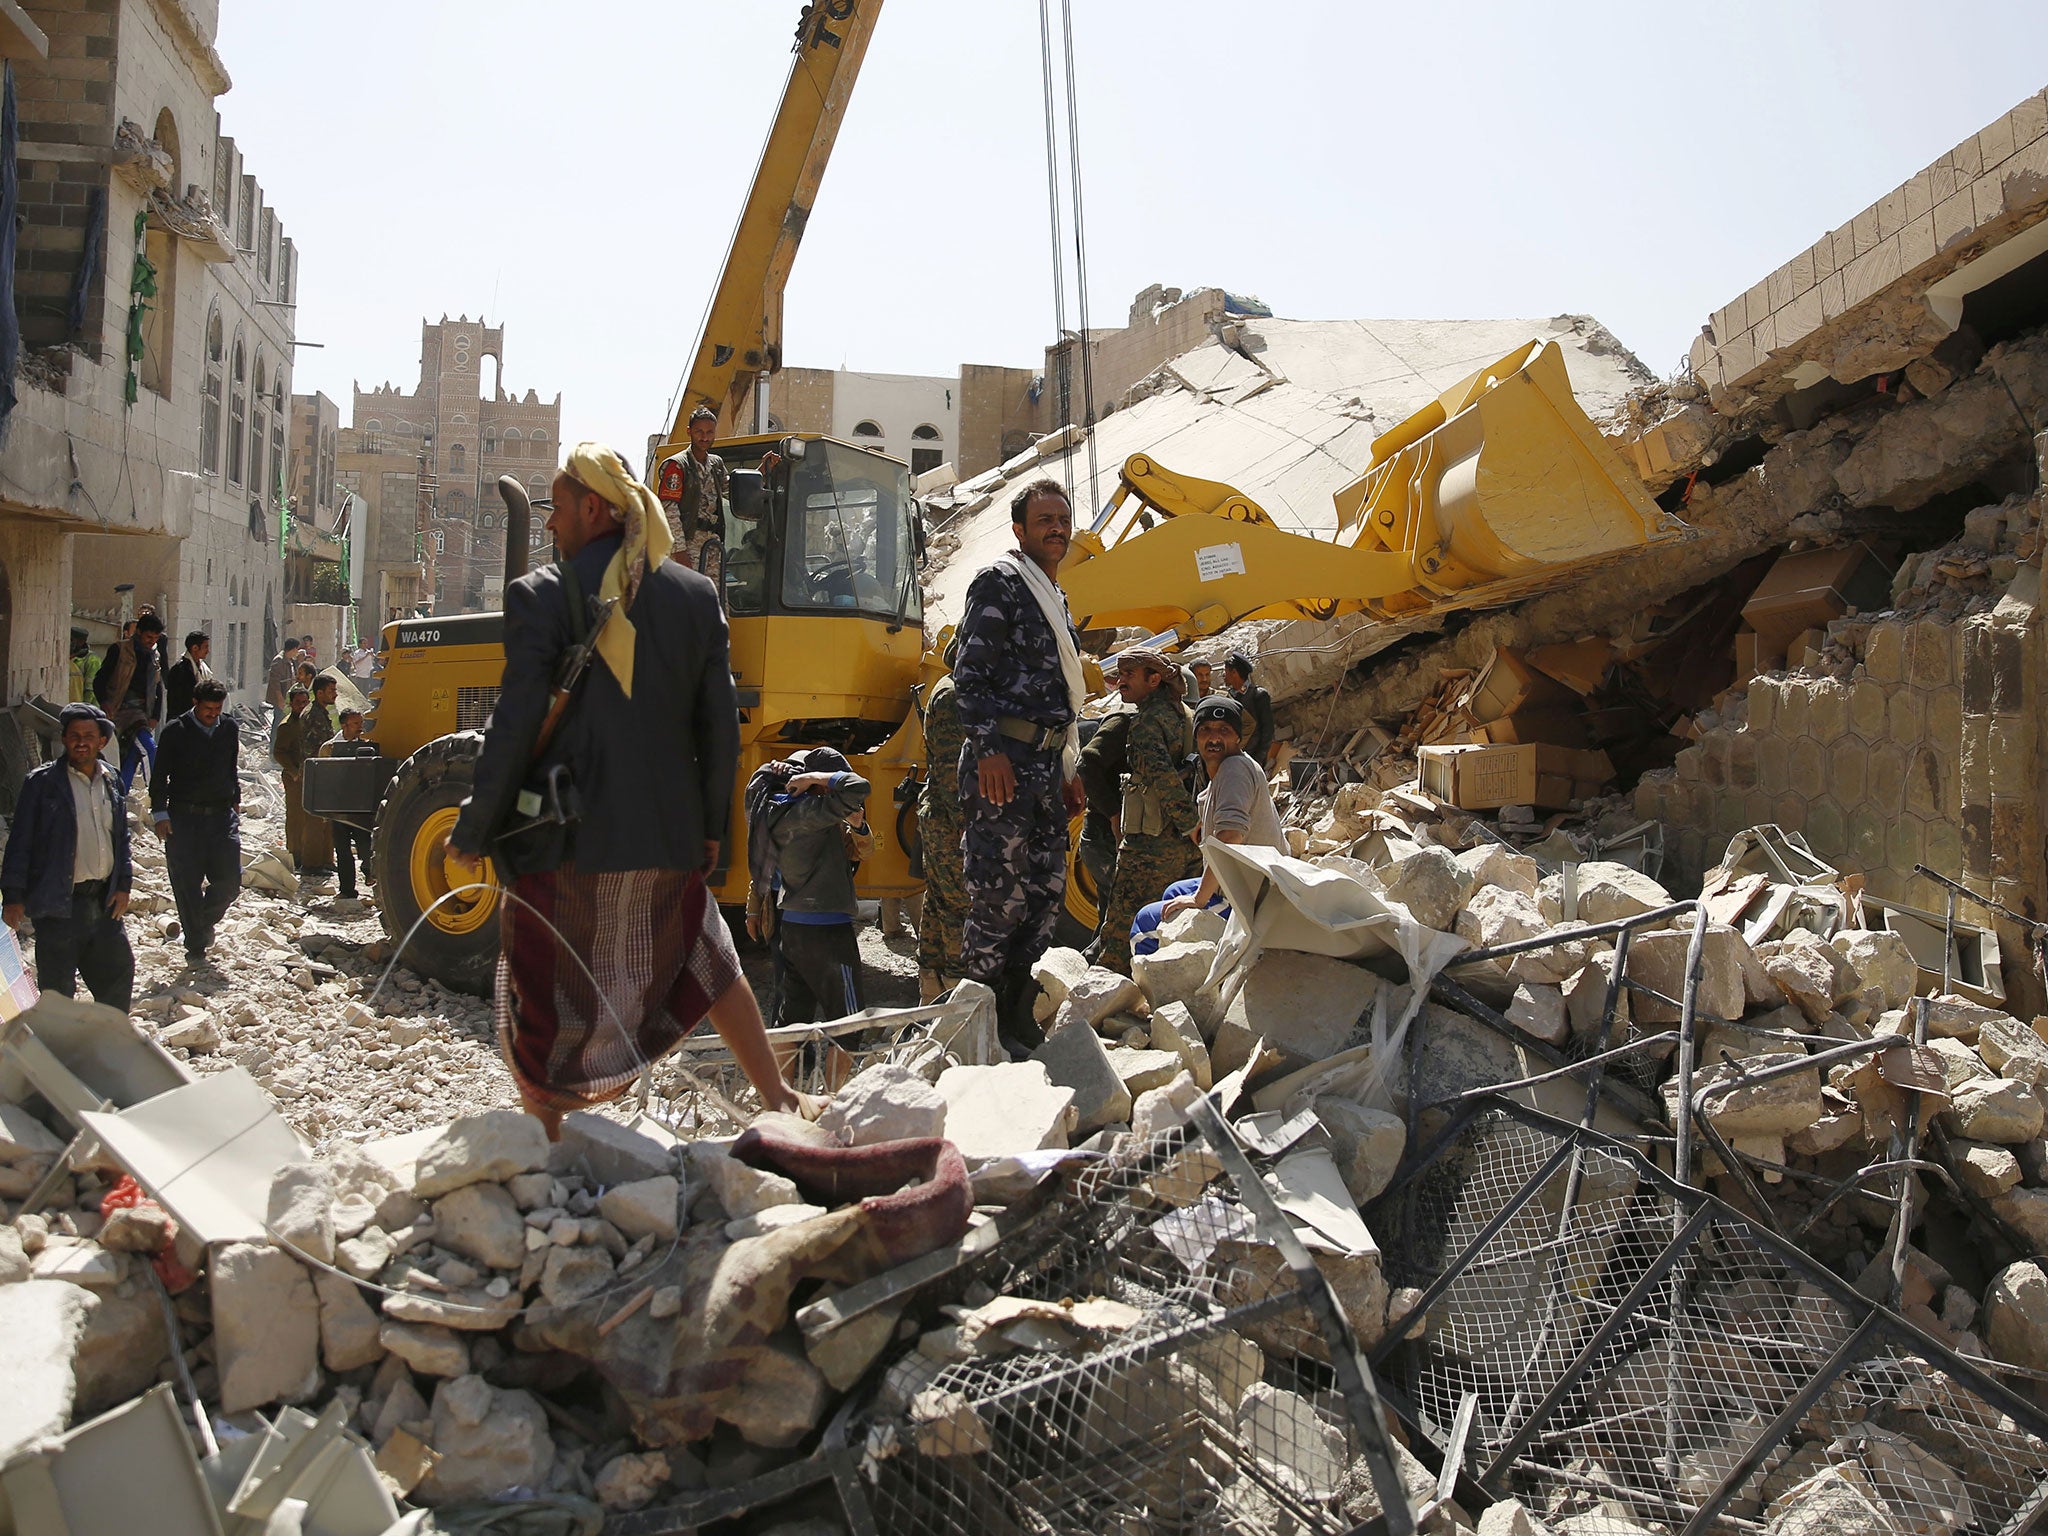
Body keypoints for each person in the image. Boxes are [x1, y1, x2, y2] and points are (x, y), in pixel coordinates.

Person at [444, 442, 802, 1138]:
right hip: (667, 839)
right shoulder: (696, 597)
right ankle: (779, 1099)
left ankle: (548, 1145)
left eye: (556, 507)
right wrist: (709, 832)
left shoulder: (539, 596)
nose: (548, 524)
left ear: (593, 509)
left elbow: (514, 723)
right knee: (708, 957)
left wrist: (473, 827)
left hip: (565, 843)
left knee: (540, 997)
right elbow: (718, 731)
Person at [951, 477, 1085, 1047]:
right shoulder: (1001, 585)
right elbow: (968, 675)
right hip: (1004, 766)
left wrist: (1069, 770)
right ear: (1019, 531)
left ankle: (1013, 1017)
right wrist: (989, 753)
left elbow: (1063, 695)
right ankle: (969, 1031)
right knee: (996, 901)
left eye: (1062, 519)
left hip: (1047, 769)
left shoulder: (1056, 596)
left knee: (1044, 898)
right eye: (1044, 521)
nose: (1057, 529)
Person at [1131, 695, 1290, 956]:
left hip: (1254, 901)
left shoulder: (1234, 769)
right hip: (1255, 883)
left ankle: (1166, 989)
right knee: (1173, 891)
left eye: (1224, 731)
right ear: (1196, 737)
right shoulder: (1230, 769)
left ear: (1238, 737)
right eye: (1205, 730)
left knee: (1144, 924)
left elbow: (1229, 837)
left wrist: (1199, 900)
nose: (1214, 738)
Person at [2, 704, 133, 1007]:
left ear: (103, 740)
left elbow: (121, 839)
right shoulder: (42, 783)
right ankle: (60, 1052)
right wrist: (13, 896)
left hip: (104, 902)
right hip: (58, 905)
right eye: (74, 735)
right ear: (64, 739)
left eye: (89, 735)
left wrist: (123, 884)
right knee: (57, 992)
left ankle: (106, 1049)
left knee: (117, 978)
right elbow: (20, 843)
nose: (81, 742)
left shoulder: (112, 780)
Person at [745, 747, 871, 1025]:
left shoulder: (781, 813)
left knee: (793, 1007)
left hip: (791, 916)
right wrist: (754, 909)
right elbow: (763, 870)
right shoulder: (811, 813)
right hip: (801, 916)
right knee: (844, 1022)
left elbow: (863, 851)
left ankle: (793, 1060)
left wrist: (860, 828)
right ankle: (809, 1059)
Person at [1095, 648, 1199, 972]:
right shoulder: (1181, 713)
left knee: (1118, 931)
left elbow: (1163, 777)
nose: (1120, 680)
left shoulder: (1145, 723)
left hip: (1149, 848)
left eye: (1129, 674)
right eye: (1120, 673)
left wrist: (1189, 823)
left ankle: (1108, 1001)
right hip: (1184, 845)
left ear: (1154, 680)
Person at [150, 678, 242, 966]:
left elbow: (231, 766)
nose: (212, 714)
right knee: (186, 884)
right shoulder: (175, 732)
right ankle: (196, 947)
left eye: (217, 709)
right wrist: (159, 814)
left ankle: (201, 924)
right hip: (183, 818)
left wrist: (235, 798)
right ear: (195, 703)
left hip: (221, 816)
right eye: (207, 709)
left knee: (229, 881)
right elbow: (159, 776)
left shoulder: (228, 728)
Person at [915, 636, 968, 1003]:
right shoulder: (952, 695)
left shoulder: (957, 689)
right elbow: (951, 775)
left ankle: (930, 989)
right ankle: (955, 992)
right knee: (960, 905)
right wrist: (972, 831)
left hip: (944, 817)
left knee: (939, 902)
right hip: (950, 821)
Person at [95, 611, 163, 796]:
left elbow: (158, 687)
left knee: (131, 758)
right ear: (139, 632)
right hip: (120, 712)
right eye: (149, 637)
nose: (151, 641)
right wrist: (105, 703)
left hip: (142, 713)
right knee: (148, 749)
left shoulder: (154, 655)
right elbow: (100, 679)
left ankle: (119, 800)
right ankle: (158, 796)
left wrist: (155, 715)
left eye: (155, 638)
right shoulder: (120, 650)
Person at [657, 405, 728, 571]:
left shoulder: (716, 464)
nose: (704, 437)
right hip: (689, 543)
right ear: (689, 431)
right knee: (688, 594)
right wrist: (680, 552)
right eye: (699, 432)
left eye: (709, 432)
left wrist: (761, 471)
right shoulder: (677, 466)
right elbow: (670, 511)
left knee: (713, 595)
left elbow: (732, 490)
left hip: (712, 544)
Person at [322, 707, 375, 902]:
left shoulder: (368, 747)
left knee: (365, 845)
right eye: (356, 724)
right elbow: (324, 780)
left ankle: (369, 873)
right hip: (338, 806)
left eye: (361, 723)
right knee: (343, 850)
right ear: (344, 725)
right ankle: (347, 889)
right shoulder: (329, 748)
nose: (360, 728)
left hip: (361, 806)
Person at [1225, 651, 1276, 770]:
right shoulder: (1229, 696)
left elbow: (1267, 731)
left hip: (1252, 757)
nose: (1224, 675)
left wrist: (1258, 759)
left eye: (1226, 672)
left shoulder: (1258, 695)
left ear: (1234, 672)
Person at [164, 630, 212, 721]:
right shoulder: (179, 670)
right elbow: (176, 703)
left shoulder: (203, 668)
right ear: (195, 648)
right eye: (205, 647)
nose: (208, 651)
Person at [265, 639, 302, 713]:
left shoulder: (291, 660)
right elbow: (274, 681)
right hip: (281, 696)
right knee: (279, 719)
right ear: (293, 649)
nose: (297, 652)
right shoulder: (279, 660)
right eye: (297, 649)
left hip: (288, 695)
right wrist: (280, 698)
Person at [68, 629, 98, 704]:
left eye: (72, 640)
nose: (70, 643)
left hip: (89, 707)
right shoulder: (70, 657)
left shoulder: (92, 660)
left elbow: (90, 690)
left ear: (82, 641)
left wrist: (84, 709)